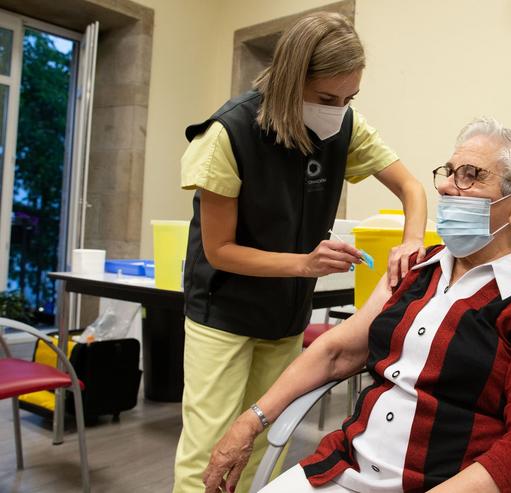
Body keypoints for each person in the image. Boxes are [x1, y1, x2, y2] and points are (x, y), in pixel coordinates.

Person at [202, 117, 511, 493]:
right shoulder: (420, 268)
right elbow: (337, 351)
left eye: (471, 176)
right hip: (345, 469)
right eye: (448, 172)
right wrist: (250, 422)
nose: (445, 188)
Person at [174, 12, 428, 493]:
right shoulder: (228, 134)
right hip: (222, 311)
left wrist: (412, 240)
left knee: (258, 441)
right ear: (292, 81)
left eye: (348, 99)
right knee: (208, 453)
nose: (339, 110)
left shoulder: (343, 127)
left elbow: (412, 188)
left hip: (285, 312)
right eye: (327, 98)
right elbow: (220, 250)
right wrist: (306, 264)